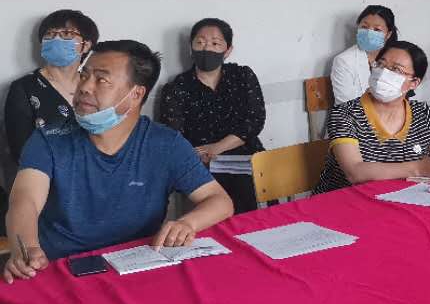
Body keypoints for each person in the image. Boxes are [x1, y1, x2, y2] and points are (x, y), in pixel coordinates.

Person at [4, 40, 234, 281]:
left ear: (136, 94)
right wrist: (27, 249)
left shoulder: (165, 144)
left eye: (101, 80)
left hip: (138, 267)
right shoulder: (49, 139)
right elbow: (25, 200)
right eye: (84, 76)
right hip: (63, 268)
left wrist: (187, 223)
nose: (84, 87)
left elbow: (219, 201)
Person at [316, 41, 430, 193]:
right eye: (380, 64)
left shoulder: (423, 113)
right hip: (343, 202)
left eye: (396, 69)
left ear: (414, 83)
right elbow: (355, 172)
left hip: (399, 197)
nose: (383, 72)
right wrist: (418, 168)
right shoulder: (345, 114)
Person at [157, 18, 266, 213]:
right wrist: (201, 156)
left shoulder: (242, 76)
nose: (207, 48)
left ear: (228, 50)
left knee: (250, 197)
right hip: (201, 164)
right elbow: (173, 136)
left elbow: (254, 120)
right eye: (200, 42)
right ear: (191, 48)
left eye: (215, 43)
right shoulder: (176, 88)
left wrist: (217, 147)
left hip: (246, 158)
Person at [4, 9, 99, 168]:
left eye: (67, 34)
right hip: (47, 176)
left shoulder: (96, 85)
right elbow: (21, 151)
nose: (56, 39)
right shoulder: (24, 88)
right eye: (49, 34)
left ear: (86, 45)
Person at [329, 4, 398, 105]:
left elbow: (401, 95)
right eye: (364, 27)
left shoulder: (396, 58)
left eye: (377, 29)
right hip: (355, 114)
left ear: (388, 34)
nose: (369, 33)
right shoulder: (344, 61)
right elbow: (345, 105)